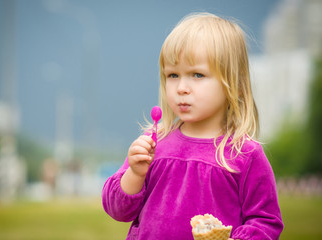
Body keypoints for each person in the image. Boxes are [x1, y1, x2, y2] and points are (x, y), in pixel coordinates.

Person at [102, 12, 284, 240]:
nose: (181, 88)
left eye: (197, 74)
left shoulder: (245, 154)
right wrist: (134, 174)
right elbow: (117, 210)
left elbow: (265, 221)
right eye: (173, 75)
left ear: (235, 85)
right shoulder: (153, 143)